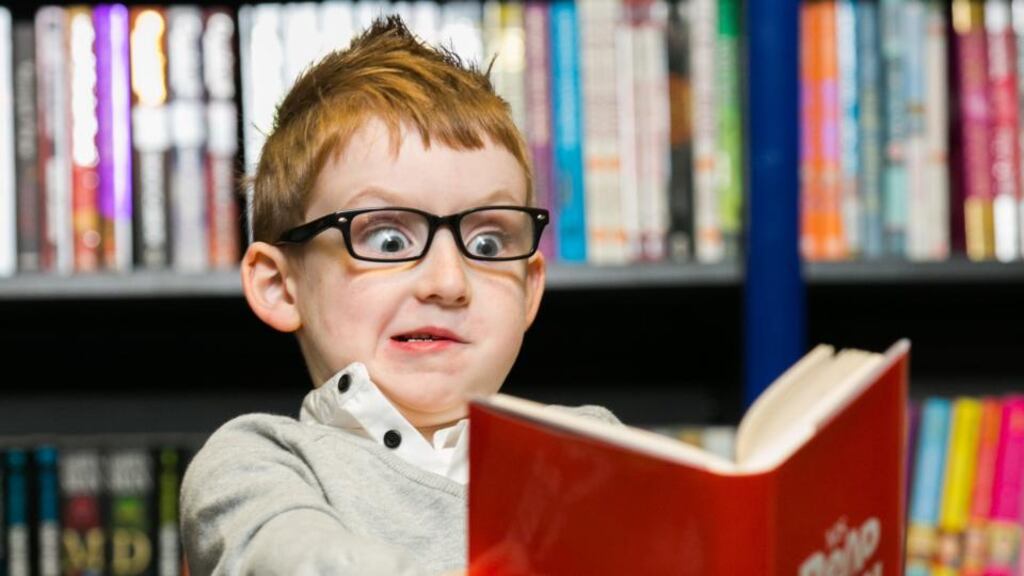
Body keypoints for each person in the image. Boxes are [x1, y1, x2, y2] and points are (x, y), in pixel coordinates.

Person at [179, 15, 619, 575]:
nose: (447, 282)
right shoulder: (259, 462)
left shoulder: (594, 448)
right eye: (388, 239)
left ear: (530, 287)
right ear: (279, 285)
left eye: (486, 242)